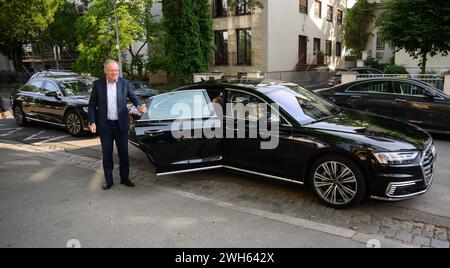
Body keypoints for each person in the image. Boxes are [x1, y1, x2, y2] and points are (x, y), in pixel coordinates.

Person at [88, 60, 147, 190]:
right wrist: (92, 122)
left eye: (116, 70)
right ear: (106, 71)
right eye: (111, 70)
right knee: (107, 154)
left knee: (124, 154)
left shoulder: (124, 83)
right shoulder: (97, 85)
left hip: (121, 124)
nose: (115, 72)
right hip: (105, 125)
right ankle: (108, 181)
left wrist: (139, 106)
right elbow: (92, 104)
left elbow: (133, 97)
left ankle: (125, 179)